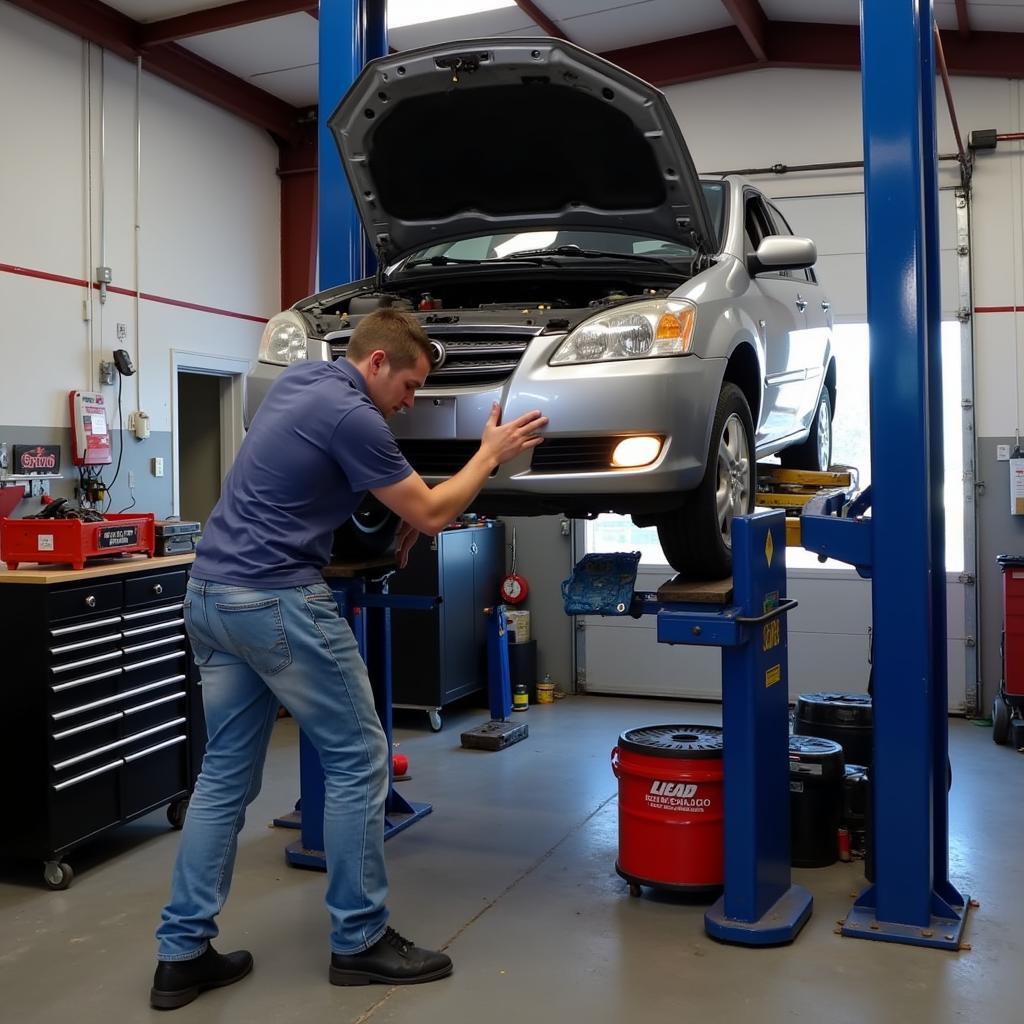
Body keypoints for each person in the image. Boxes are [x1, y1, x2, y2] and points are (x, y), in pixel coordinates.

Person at [150, 307, 547, 1010]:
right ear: (376, 364)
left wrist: (394, 514)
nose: (410, 402)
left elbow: (324, 480)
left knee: (221, 780)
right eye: (410, 385)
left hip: (209, 595)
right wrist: (489, 454)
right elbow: (431, 512)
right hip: (274, 600)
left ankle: (181, 956)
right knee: (360, 755)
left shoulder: (302, 383)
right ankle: (360, 940)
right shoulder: (354, 416)